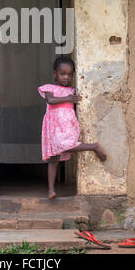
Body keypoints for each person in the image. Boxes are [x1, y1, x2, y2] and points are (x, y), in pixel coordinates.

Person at [38, 56, 107, 199]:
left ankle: (94, 146)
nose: (66, 77)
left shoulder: (73, 90)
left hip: (67, 124)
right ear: (55, 73)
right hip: (53, 126)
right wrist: (68, 98)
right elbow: (50, 101)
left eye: (69, 74)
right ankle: (51, 190)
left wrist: (72, 98)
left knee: (66, 145)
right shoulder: (49, 88)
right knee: (53, 159)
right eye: (62, 74)